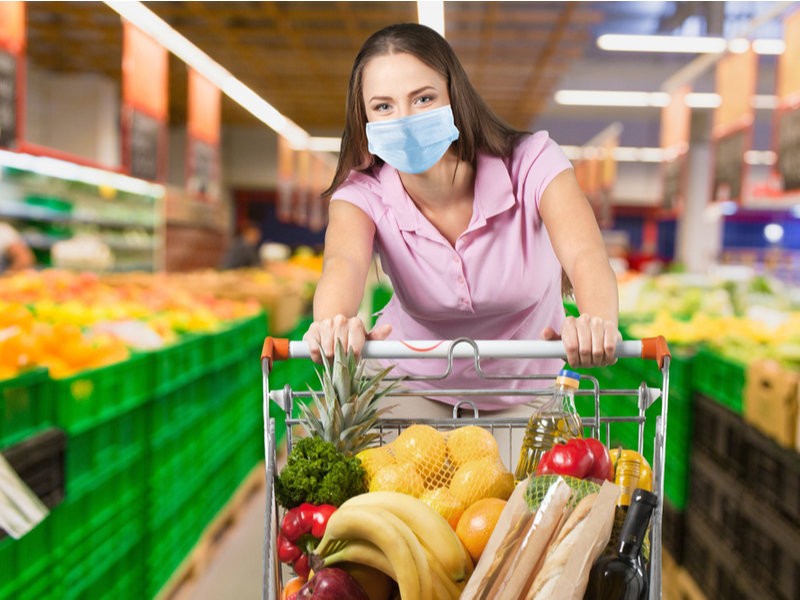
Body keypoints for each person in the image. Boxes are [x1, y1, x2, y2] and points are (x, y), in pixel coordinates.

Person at [304, 23, 621, 422]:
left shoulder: (532, 164)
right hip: (405, 389)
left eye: (423, 98)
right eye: (383, 106)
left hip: (529, 399)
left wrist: (596, 322)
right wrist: (333, 324)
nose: (404, 119)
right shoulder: (362, 194)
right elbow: (342, 264)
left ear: (455, 96)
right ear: (363, 118)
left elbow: (586, 255)